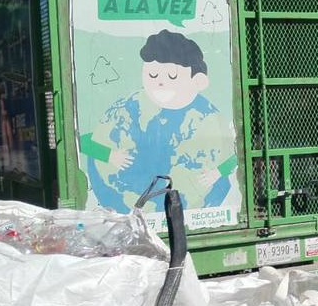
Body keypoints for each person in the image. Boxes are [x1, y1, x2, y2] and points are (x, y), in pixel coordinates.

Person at [81, 29, 237, 212]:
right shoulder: (131, 108)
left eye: (172, 76)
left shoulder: (208, 117)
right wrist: (110, 155)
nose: (160, 83)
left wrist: (217, 172)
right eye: (152, 75)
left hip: (191, 205)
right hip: (130, 202)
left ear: (198, 81)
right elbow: (82, 141)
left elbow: (238, 153)